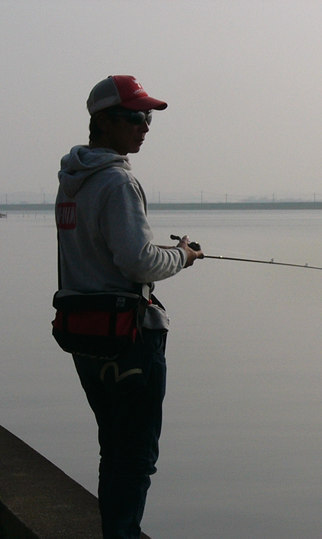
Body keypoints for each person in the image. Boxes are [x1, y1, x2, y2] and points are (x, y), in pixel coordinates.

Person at [55, 75, 203, 539]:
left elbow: (103, 252)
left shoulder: (72, 181)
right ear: (104, 122)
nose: (145, 126)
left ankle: (116, 532)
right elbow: (139, 263)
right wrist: (182, 254)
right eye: (136, 117)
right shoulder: (118, 182)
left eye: (149, 117)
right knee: (136, 455)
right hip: (128, 339)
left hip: (84, 335)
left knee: (112, 447)